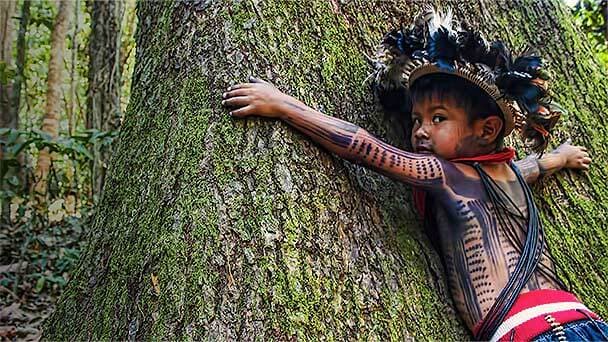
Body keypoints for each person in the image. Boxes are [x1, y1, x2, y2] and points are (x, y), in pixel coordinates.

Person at [221, 7, 605, 341]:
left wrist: (284, 106)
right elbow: (533, 167)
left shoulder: (445, 174)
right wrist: (560, 158)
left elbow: (365, 147)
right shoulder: (508, 176)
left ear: (487, 130)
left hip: (532, 332)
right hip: (584, 321)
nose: (420, 130)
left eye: (438, 118)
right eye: (416, 119)